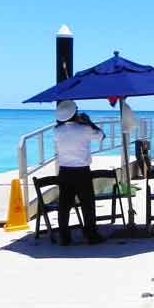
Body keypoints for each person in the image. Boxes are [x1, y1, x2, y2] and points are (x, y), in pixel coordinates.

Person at [53, 100, 105, 246]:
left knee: (64, 206)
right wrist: (89, 122)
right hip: (82, 171)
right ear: (74, 112)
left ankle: (64, 237)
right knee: (87, 205)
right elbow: (101, 136)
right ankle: (91, 235)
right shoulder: (84, 129)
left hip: (64, 171)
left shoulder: (57, 131)